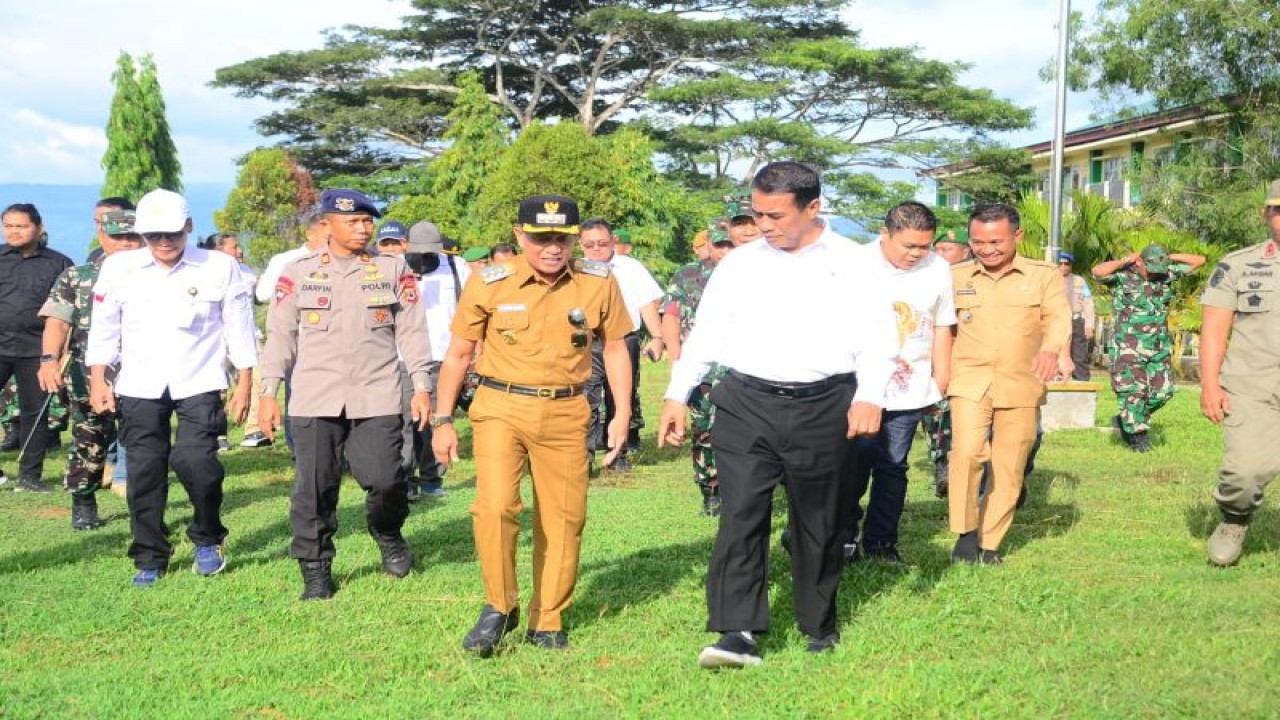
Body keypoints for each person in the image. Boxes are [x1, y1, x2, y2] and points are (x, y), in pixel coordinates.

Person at [657, 162, 897, 668]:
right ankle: (735, 632)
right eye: (757, 213)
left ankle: (817, 622)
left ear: (813, 208)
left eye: (775, 215)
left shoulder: (856, 264)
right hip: (746, 403)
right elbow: (707, 334)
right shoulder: (741, 265)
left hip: (825, 405)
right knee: (741, 514)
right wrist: (677, 394)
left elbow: (878, 338)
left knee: (820, 520)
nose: (764, 225)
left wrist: (869, 395)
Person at [432, 194, 633, 656]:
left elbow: (617, 348)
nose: (551, 247)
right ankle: (499, 606)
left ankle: (548, 618)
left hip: (566, 412)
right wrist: (443, 420)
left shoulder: (598, 284)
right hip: (501, 407)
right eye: (541, 237)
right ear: (520, 235)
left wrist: (621, 413)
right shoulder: (489, 283)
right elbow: (459, 354)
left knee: (563, 518)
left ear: (574, 239)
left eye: (561, 238)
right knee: (495, 507)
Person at [258, 189, 431, 601]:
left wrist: (422, 385)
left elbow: (413, 330)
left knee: (387, 479)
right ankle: (316, 568)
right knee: (314, 488)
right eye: (352, 221)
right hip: (314, 396)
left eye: (368, 220)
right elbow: (280, 336)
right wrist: (267, 392)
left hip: (377, 392)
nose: (363, 227)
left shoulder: (392, 269)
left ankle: (388, 533)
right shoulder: (297, 273)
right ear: (326, 225)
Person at [87, 189, 257, 587]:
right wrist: (99, 377)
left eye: (173, 234)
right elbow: (105, 328)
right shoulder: (118, 269)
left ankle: (207, 536)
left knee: (198, 463)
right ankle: (150, 555)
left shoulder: (218, 266)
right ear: (142, 234)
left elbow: (239, 326)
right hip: (139, 383)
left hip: (200, 379)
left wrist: (245, 382)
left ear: (189, 227)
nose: (164, 243)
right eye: (154, 235)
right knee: (144, 472)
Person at [947, 203, 1070, 565]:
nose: (987, 250)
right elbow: (944, 327)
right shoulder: (956, 276)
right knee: (966, 453)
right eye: (978, 242)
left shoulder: (1044, 275)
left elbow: (1058, 318)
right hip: (969, 379)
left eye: (996, 241)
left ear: (1017, 236)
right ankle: (966, 532)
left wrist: (1051, 350)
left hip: (1021, 381)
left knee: (1009, 464)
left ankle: (990, 543)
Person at [846, 202, 955, 564]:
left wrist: (941, 378)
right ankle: (843, 535)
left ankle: (881, 543)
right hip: (858, 387)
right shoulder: (854, 264)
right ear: (885, 233)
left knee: (893, 466)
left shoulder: (938, 268)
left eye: (924, 246)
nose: (916, 254)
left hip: (910, 387)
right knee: (853, 464)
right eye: (908, 245)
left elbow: (942, 324)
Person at [36, 209, 144, 529]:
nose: (126, 243)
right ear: (103, 236)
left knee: (145, 437)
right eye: (118, 236)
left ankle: (145, 500)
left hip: (145, 368)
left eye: (133, 237)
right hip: (88, 369)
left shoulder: (159, 275)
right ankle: (84, 501)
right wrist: (48, 360)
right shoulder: (78, 276)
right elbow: (57, 321)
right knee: (89, 436)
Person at [1198, 181, 1280, 567]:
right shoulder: (1238, 265)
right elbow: (1215, 330)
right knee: (1245, 473)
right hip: (1253, 385)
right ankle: (1234, 519)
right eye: (1278, 209)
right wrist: (1210, 386)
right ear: (1266, 214)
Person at [1092, 243, 1205, 452]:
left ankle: (1127, 417)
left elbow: (1199, 261)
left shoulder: (1166, 274)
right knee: (1134, 392)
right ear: (1140, 262)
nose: (1154, 273)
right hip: (1128, 347)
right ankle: (1137, 438)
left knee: (1164, 392)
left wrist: (1166, 256)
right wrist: (1127, 259)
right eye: (1150, 268)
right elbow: (1097, 271)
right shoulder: (1123, 277)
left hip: (1158, 346)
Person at [659, 225, 739, 516]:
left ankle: (741, 492)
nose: (726, 252)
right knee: (705, 432)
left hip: (742, 372)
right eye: (720, 246)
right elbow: (670, 315)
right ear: (709, 246)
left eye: (731, 245)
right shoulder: (688, 275)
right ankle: (711, 492)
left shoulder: (756, 272)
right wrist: (675, 360)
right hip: (703, 371)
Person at [580, 218, 664, 472]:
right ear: (580, 244)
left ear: (613, 241)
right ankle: (585, 455)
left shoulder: (630, 268)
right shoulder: (574, 269)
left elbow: (647, 303)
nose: (596, 249)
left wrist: (658, 337)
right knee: (587, 398)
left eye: (602, 243)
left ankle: (619, 453)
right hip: (587, 341)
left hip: (624, 339)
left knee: (622, 396)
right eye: (589, 244)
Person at [0, 203, 73, 492]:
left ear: (39, 227)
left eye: (21, 226)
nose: (13, 231)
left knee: (36, 413)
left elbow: (69, 310)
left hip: (38, 351)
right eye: (8, 225)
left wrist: (59, 353)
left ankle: (30, 477)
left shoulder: (60, 263)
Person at [401, 220, 472, 500]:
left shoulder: (456, 267)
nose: (424, 257)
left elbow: (471, 308)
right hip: (402, 358)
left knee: (435, 420)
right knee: (404, 420)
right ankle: (405, 479)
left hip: (444, 357)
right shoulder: (395, 267)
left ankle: (432, 479)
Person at [250, 205, 329, 451]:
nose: (331, 240)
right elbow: (263, 294)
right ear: (310, 234)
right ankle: (300, 449)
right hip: (297, 338)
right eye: (326, 235)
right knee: (298, 396)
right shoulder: (285, 261)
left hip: (331, 340)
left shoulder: (342, 260)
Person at [923, 229, 972, 496]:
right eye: (938, 249)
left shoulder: (974, 279)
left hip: (969, 360)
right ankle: (943, 468)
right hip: (937, 357)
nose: (940, 255)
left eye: (947, 250)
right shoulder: (930, 278)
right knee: (937, 415)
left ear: (965, 251)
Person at [1057, 251, 1096, 381]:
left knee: (1079, 354)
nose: (1063, 266)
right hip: (1056, 322)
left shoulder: (1079, 281)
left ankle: (1082, 382)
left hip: (1075, 321)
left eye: (1066, 264)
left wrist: (1089, 325)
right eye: (1060, 263)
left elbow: (1088, 303)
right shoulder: (1050, 280)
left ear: (1071, 265)